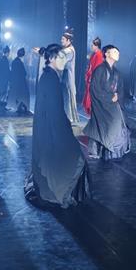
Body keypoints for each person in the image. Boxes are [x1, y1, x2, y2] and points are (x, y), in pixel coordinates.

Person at [25, 44, 90, 208]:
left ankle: (59, 192)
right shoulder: (50, 79)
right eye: (60, 57)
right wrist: (62, 130)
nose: (64, 60)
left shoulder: (50, 76)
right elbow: (53, 110)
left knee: (60, 160)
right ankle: (59, 194)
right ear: (51, 58)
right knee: (73, 158)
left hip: (51, 126)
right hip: (53, 128)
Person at [82, 45, 131, 160]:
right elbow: (94, 89)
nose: (117, 54)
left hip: (113, 104)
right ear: (106, 54)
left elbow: (120, 89)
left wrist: (117, 96)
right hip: (102, 104)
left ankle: (113, 152)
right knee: (108, 124)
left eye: (118, 52)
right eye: (114, 52)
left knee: (119, 123)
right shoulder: (100, 70)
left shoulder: (117, 72)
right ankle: (103, 150)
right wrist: (109, 98)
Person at [60, 30, 80, 124]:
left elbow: (60, 60)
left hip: (67, 76)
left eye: (63, 39)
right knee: (66, 96)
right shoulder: (67, 49)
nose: (61, 40)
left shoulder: (69, 51)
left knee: (67, 96)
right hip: (65, 75)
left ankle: (68, 117)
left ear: (68, 40)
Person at [82, 37, 104, 115]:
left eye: (92, 45)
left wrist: (92, 78)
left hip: (94, 79)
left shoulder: (99, 55)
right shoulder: (95, 54)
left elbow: (97, 69)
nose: (91, 47)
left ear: (97, 46)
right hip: (91, 78)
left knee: (92, 97)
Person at [8, 47, 31, 115]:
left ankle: (17, 106)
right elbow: (24, 73)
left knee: (16, 94)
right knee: (24, 94)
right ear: (22, 55)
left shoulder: (14, 61)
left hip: (14, 81)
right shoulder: (20, 63)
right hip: (20, 82)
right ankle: (22, 107)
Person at [0, 46, 11, 111]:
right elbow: (7, 70)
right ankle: (0, 103)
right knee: (3, 90)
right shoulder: (5, 60)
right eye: (8, 53)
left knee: (0, 90)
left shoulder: (1, 59)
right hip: (4, 78)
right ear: (7, 53)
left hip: (1, 77)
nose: (9, 54)